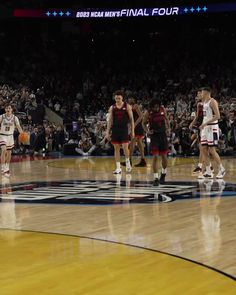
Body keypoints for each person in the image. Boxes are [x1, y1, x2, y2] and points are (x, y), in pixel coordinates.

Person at [199, 87, 225, 179]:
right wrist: (203, 125)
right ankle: (208, 171)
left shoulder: (212, 101)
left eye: (202, 92)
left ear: (206, 92)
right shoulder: (203, 103)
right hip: (205, 128)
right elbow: (206, 116)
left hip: (212, 127)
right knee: (203, 149)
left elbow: (218, 116)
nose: (201, 94)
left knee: (212, 150)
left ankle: (221, 169)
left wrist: (205, 123)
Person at [142, 99, 170, 186]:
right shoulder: (148, 113)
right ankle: (156, 178)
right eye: (154, 107)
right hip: (154, 136)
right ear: (152, 107)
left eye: (157, 106)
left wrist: (169, 128)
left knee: (164, 157)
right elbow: (143, 123)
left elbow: (167, 119)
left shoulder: (163, 109)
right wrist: (147, 131)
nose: (156, 108)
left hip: (163, 135)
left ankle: (163, 173)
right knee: (155, 157)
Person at [106, 90, 135, 174]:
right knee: (116, 148)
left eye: (119, 98)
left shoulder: (127, 106)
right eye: (116, 98)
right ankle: (118, 168)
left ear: (122, 97)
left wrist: (132, 131)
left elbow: (132, 120)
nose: (117, 99)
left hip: (124, 129)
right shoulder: (112, 107)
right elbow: (110, 120)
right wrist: (107, 132)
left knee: (126, 147)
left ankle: (128, 163)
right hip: (115, 129)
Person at [121, 95, 146, 167]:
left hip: (137, 126)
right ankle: (143, 160)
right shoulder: (128, 107)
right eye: (129, 98)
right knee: (139, 143)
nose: (130, 99)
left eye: (132, 98)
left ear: (134, 99)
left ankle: (129, 161)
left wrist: (134, 124)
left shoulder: (135, 106)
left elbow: (141, 116)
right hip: (135, 126)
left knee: (132, 143)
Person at [0, 104, 23, 177]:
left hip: (10, 136)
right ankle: (3, 167)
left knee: (9, 152)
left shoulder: (15, 118)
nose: (8, 109)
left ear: (11, 109)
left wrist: (22, 134)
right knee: (4, 150)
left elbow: (18, 127)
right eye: (6, 108)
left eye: (9, 108)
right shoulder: (1, 117)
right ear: (5, 109)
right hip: (2, 135)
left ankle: (7, 167)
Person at [189, 89, 204, 173]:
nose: (197, 95)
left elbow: (198, 116)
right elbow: (198, 116)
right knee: (202, 147)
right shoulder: (199, 104)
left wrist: (192, 123)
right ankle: (205, 166)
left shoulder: (207, 103)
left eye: (199, 94)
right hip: (201, 126)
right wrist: (192, 123)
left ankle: (202, 166)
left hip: (205, 126)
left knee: (204, 148)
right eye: (197, 94)